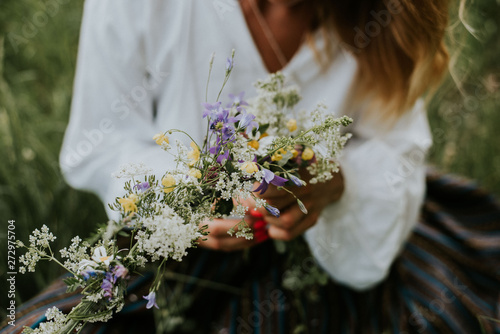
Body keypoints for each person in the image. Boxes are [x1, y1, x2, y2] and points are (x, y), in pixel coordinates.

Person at [2, 0, 499, 333]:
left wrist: (336, 183)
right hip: (172, 247)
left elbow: (395, 152)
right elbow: (100, 143)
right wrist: (190, 194)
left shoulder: (382, 16)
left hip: (342, 235)